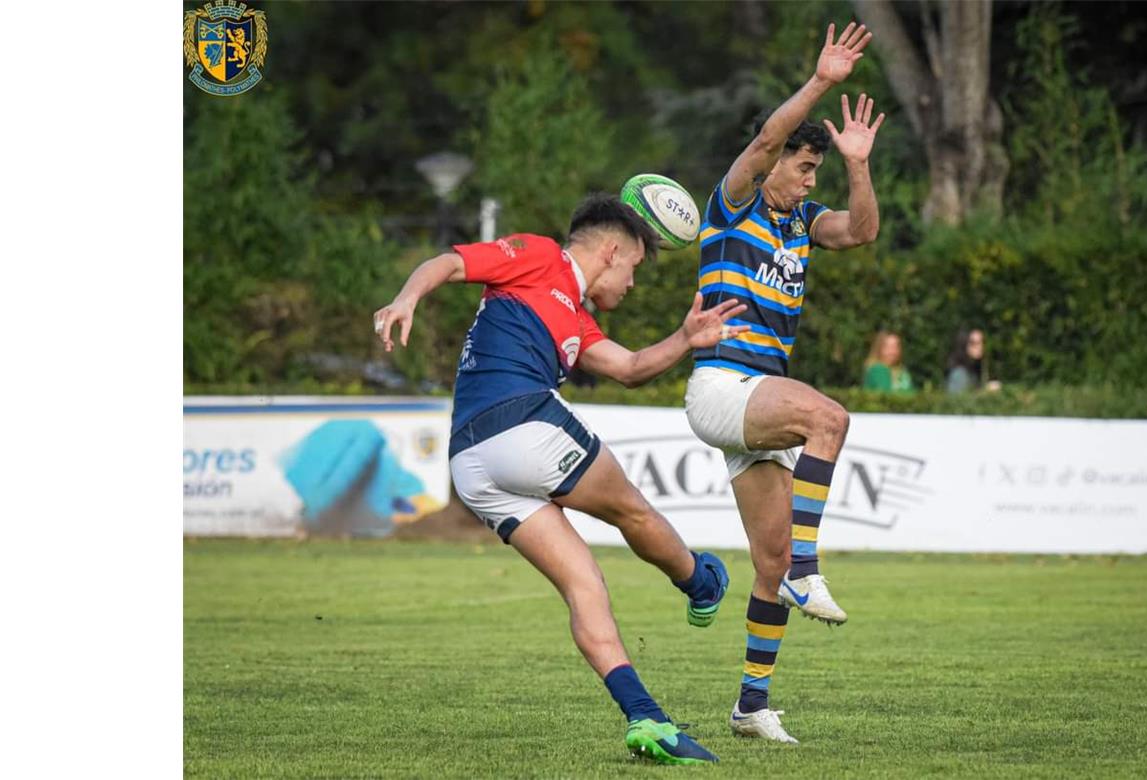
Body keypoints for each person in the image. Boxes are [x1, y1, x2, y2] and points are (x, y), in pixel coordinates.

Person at [372, 194, 752, 765]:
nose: (631, 284)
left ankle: (646, 719)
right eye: (635, 269)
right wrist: (406, 298)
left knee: (584, 584)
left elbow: (627, 369)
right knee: (634, 512)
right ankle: (699, 580)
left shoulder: (575, 318)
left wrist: (685, 341)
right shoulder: (539, 254)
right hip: (521, 421)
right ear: (612, 250)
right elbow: (448, 263)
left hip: (473, 464)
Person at [683, 20, 883, 744]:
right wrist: (823, 82)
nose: (807, 178)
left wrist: (856, 163)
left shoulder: (802, 223)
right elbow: (769, 139)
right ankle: (810, 565)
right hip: (722, 386)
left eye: (815, 173)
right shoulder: (731, 202)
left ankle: (750, 706)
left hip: (756, 401)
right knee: (830, 419)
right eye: (805, 168)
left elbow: (861, 232)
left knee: (764, 567)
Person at [945, 327, 1002, 395]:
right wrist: (986, 390)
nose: (980, 347)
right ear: (963, 344)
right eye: (973, 343)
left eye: (982, 342)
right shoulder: (959, 373)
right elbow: (957, 402)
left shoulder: (975, 369)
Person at [862, 330, 914, 394]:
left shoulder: (902, 371)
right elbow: (887, 394)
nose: (893, 351)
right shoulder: (878, 370)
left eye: (896, 346)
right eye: (888, 347)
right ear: (880, 348)